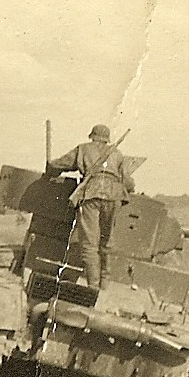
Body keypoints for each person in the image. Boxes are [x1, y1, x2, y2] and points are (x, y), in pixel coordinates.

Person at [46, 123, 134, 289]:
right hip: (114, 196)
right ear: (107, 139)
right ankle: (105, 284)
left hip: (92, 194)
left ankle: (93, 287)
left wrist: (51, 168)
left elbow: (60, 164)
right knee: (106, 242)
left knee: (89, 244)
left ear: (92, 136)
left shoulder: (83, 149)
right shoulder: (117, 154)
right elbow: (128, 184)